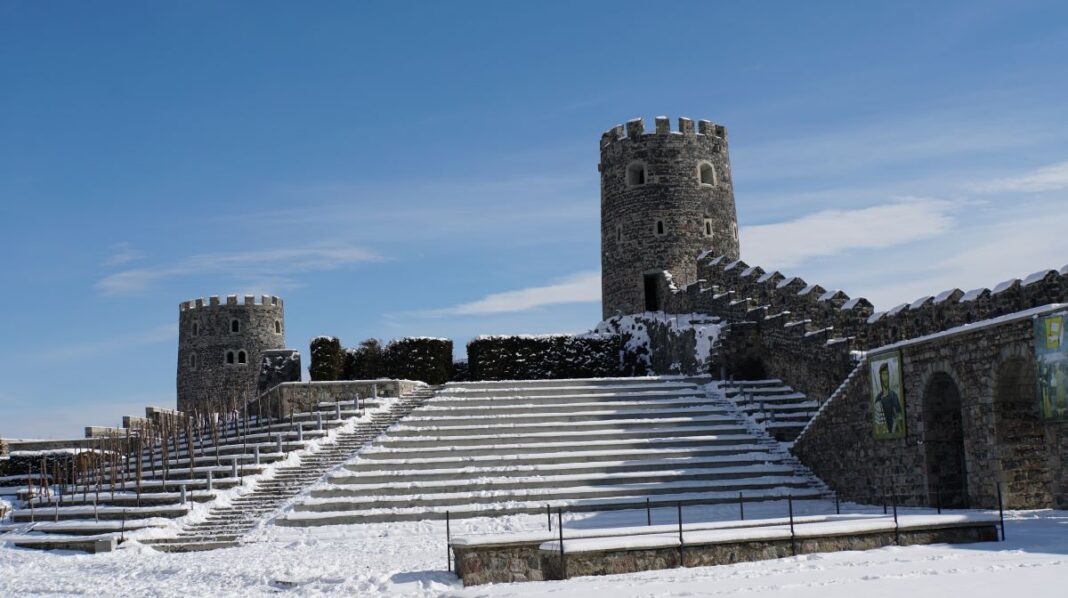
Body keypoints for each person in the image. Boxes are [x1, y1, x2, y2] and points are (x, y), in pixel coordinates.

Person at [875, 362, 902, 435]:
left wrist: (897, 419)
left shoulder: (893, 396)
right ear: (880, 376)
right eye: (884, 374)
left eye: (887, 374)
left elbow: (899, 416)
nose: (886, 377)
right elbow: (877, 422)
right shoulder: (878, 399)